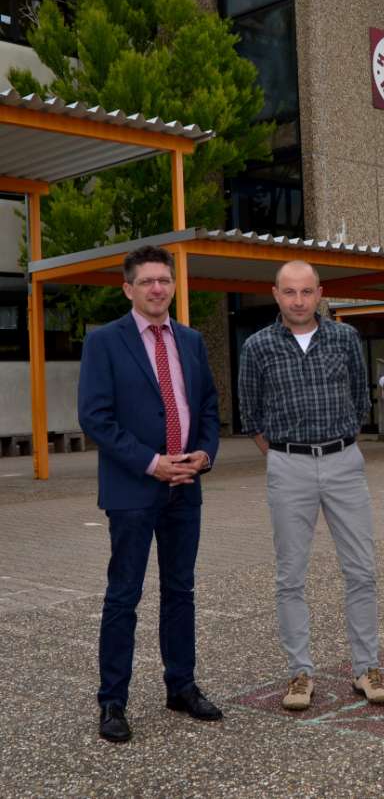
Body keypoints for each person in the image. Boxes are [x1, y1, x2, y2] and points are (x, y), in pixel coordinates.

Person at [78, 245, 222, 742]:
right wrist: (151, 462)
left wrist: (204, 454)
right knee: (124, 595)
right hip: (134, 488)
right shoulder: (104, 342)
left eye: (165, 280)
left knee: (180, 592)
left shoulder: (192, 340)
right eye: (147, 282)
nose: (157, 288)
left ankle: (181, 686)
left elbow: (205, 405)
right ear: (128, 289)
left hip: (186, 485)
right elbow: (95, 417)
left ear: (174, 286)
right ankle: (112, 701)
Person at [238, 260, 384, 711]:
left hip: (344, 461)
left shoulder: (345, 338)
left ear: (320, 293)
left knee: (361, 569)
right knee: (290, 575)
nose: (299, 300)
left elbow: (359, 399)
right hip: (289, 466)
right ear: (275, 293)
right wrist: (287, 456)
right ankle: (299, 673)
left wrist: (339, 447)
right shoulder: (257, 347)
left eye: (307, 292)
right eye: (290, 292)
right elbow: (250, 413)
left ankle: (366, 668)